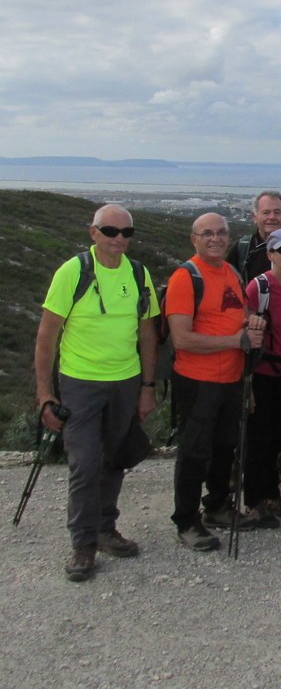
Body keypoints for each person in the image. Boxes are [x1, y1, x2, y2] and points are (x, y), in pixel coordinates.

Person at [34, 204, 159, 582]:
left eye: (126, 232)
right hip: (81, 382)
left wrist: (148, 387)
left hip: (126, 380)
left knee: (115, 459)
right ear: (93, 233)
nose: (118, 238)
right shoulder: (73, 272)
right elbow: (46, 335)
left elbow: (148, 334)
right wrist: (45, 394)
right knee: (85, 464)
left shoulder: (138, 274)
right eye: (110, 231)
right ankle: (83, 543)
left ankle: (105, 528)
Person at [166, 213, 264, 550]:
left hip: (232, 377)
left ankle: (218, 506)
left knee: (225, 445)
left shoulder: (232, 272)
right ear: (194, 238)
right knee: (194, 451)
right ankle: (186, 520)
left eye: (221, 233)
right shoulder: (185, 277)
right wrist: (236, 342)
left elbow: (239, 313)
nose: (215, 239)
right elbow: (182, 339)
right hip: (197, 379)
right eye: (207, 233)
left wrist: (251, 325)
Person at [227, 190, 281, 491]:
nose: (271, 217)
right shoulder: (241, 251)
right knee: (255, 427)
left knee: (278, 424)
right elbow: (228, 292)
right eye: (266, 212)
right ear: (255, 216)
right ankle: (248, 484)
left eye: (276, 212)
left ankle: (274, 476)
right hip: (255, 358)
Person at [242, 227, 281, 528]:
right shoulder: (259, 288)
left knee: (278, 435)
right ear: (270, 254)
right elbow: (243, 325)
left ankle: (270, 494)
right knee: (258, 438)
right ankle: (255, 500)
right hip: (262, 373)